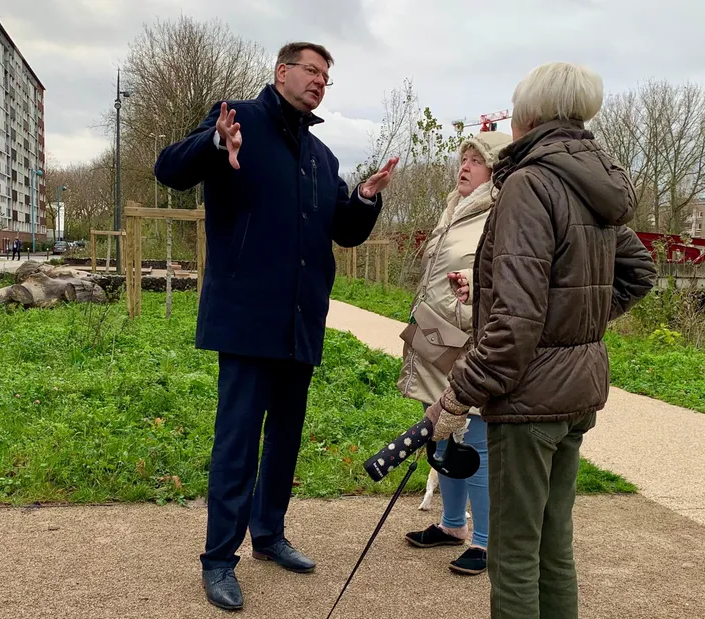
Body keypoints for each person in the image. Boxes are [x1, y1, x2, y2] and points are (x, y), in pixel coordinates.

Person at [154, 41, 397, 612]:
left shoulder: (322, 157)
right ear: (282, 71)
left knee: (285, 437)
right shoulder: (235, 118)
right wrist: (216, 144)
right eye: (311, 70)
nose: (319, 81)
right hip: (245, 316)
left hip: (301, 319)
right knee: (237, 441)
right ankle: (219, 559)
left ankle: (269, 534)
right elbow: (170, 169)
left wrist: (362, 197)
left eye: (326, 76)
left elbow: (345, 231)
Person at [421, 62, 657, 618]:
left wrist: (456, 396)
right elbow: (635, 274)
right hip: (576, 393)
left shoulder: (531, 182)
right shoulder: (591, 182)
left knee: (514, 553)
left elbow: (516, 325)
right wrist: (575, 327)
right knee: (554, 545)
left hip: (529, 402)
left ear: (528, 117)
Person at [398, 130, 512, 576]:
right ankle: (451, 525)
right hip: (439, 338)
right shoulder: (456, 209)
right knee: (442, 433)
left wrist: (473, 284)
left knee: (475, 441)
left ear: (495, 169)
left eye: (475, 160)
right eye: (462, 158)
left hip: (472, 344)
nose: (463, 166)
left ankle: (485, 542)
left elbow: (502, 269)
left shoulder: (501, 211)